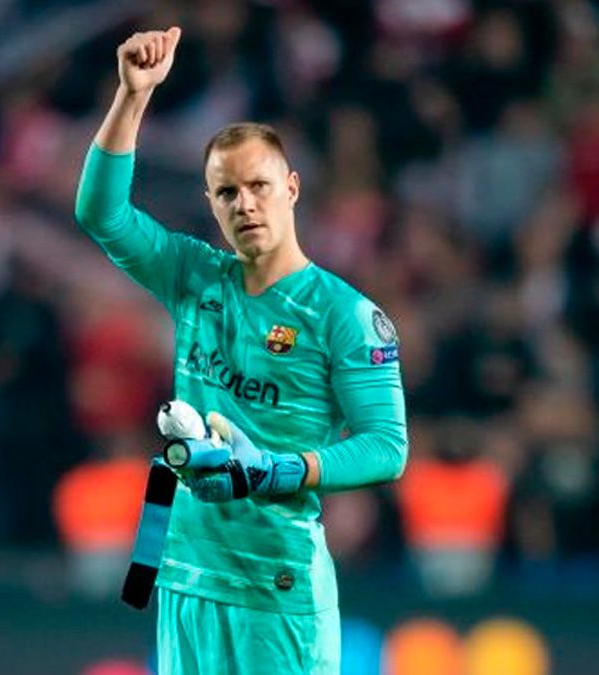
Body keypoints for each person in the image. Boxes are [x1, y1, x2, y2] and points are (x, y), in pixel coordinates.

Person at [74, 27, 408, 674]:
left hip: (276, 586)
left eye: (258, 185)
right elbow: (100, 212)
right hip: (184, 574)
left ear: (292, 187)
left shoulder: (346, 315)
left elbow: (387, 447)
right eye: (227, 193)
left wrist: (279, 468)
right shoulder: (193, 276)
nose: (244, 203)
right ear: (211, 204)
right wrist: (132, 96)